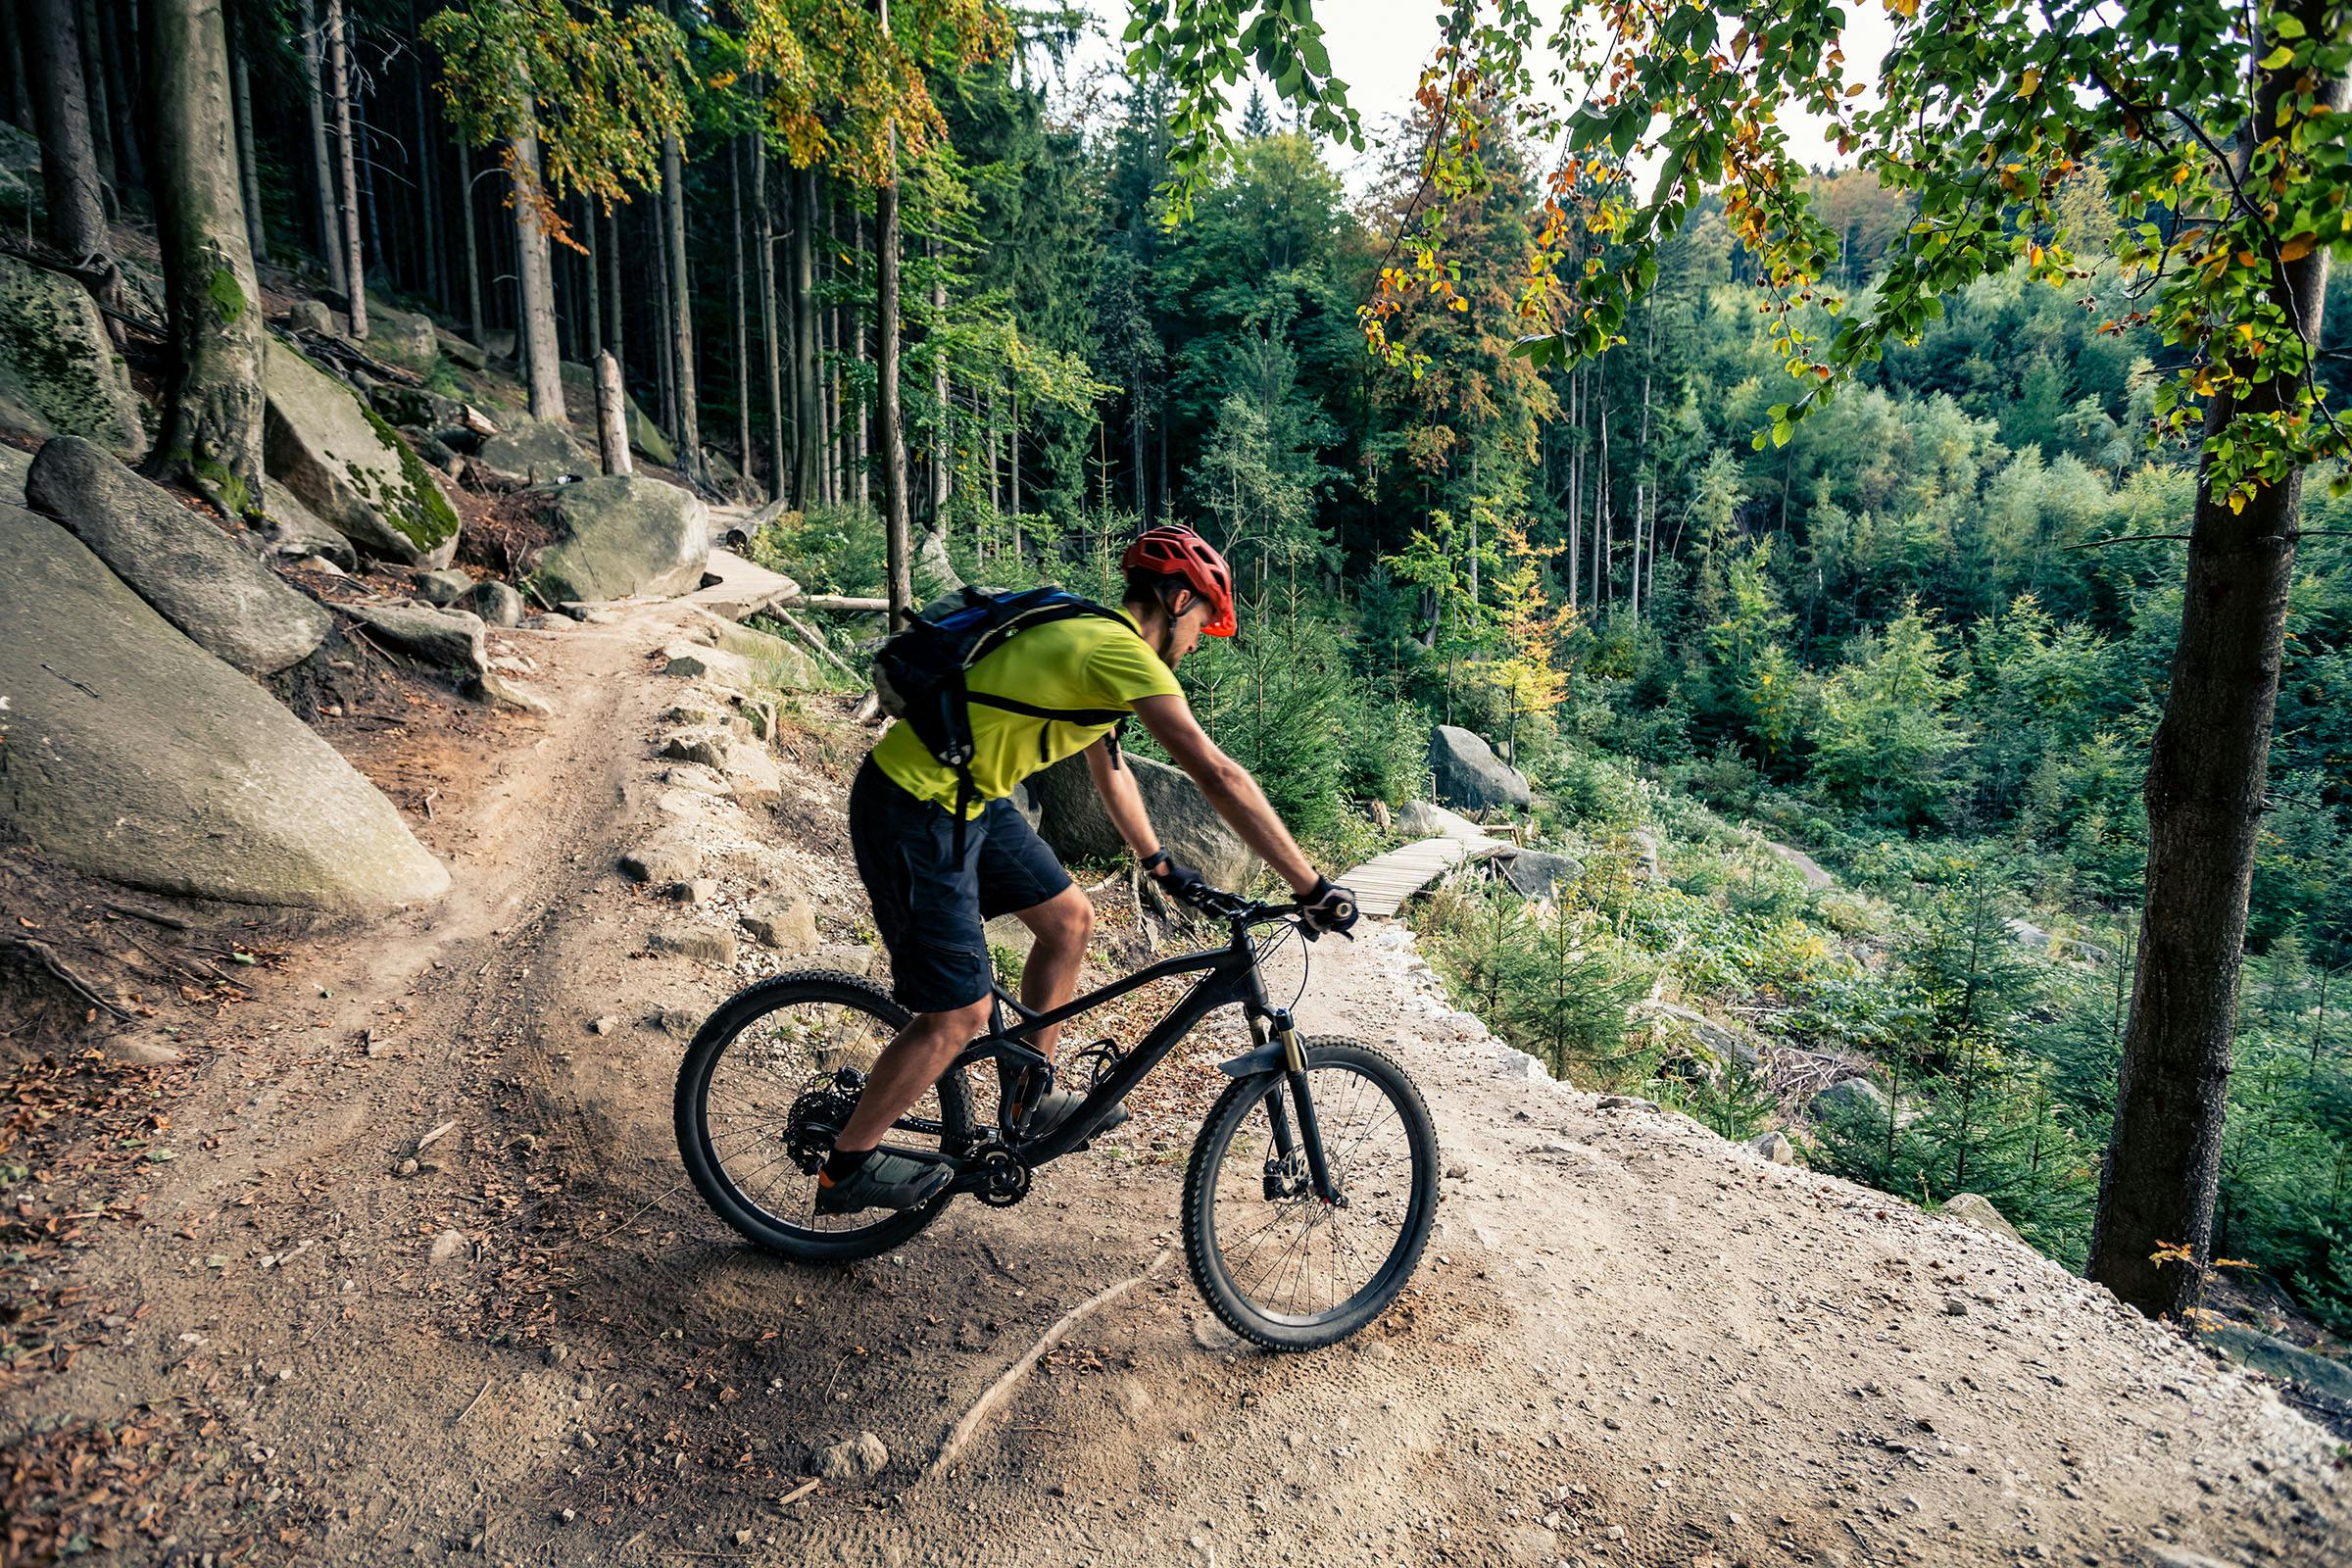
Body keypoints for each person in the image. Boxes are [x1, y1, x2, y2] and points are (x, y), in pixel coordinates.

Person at [821, 526, 1359, 1214]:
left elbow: (1111, 769)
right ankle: (848, 1165)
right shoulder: (1116, 649)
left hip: (969, 797)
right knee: (959, 1012)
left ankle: (1028, 1093)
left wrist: (1158, 861)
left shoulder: (1100, 642)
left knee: (1069, 920)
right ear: (1174, 598)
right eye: (1201, 621)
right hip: (915, 803)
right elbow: (1216, 771)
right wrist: (1310, 886)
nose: (1199, 640)